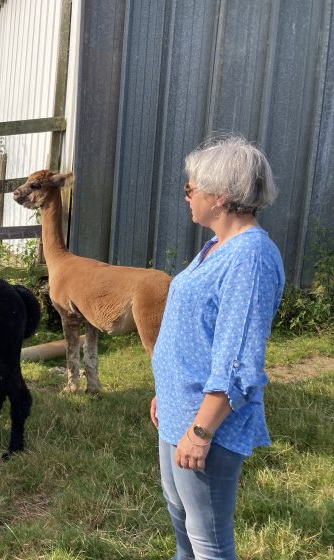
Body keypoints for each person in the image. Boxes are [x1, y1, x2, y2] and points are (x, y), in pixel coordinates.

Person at [150, 135, 285, 560]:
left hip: (207, 423)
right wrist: (167, 393)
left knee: (209, 540)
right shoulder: (216, 247)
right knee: (183, 528)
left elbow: (239, 361)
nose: (186, 196)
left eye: (191, 188)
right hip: (180, 410)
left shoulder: (250, 257)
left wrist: (202, 431)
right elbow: (196, 332)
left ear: (220, 196)